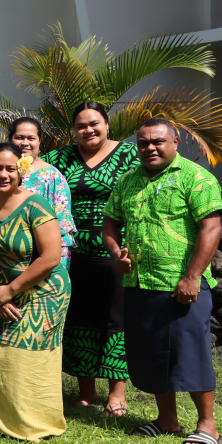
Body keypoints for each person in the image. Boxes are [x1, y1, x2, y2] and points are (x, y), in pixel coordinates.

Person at [104, 118, 222, 444]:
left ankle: (208, 425)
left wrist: (192, 277)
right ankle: (167, 420)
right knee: (152, 353)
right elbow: (110, 222)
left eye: (157, 141)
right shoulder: (129, 180)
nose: (150, 148)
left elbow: (210, 229)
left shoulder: (196, 178)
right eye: (143, 143)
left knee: (192, 352)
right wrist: (117, 253)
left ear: (174, 142)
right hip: (140, 283)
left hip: (182, 286)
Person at [0, 142, 70, 442]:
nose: (3, 174)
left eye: (10, 168)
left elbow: (51, 257)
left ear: (20, 171)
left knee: (26, 355)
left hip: (44, 290)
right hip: (1, 290)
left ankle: (35, 423)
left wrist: (10, 290)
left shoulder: (36, 204)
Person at [43, 102, 138, 415]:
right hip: (70, 251)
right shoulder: (58, 159)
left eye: (94, 123)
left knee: (116, 318)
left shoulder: (130, 156)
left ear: (107, 124)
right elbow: (30, 178)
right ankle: (86, 391)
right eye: (82, 125)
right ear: (74, 130)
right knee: (78, 316)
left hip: (117, 250)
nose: (89, 130)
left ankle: (117, 394)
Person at [8, 117, 76, 268]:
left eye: (31, 138)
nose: (25, 143)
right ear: (10, 140)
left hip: (43, 259)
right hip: (9, 258)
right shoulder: (3, 173)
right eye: (19, 137)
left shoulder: (52, 176)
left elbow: (63, 227)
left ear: (40, 142)